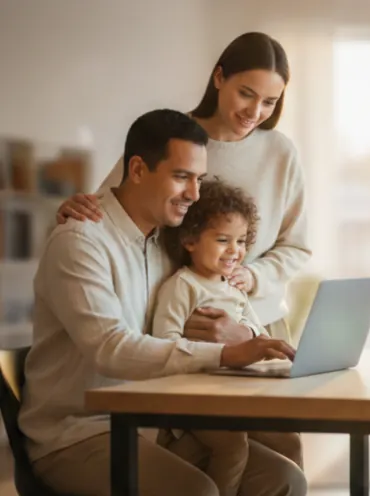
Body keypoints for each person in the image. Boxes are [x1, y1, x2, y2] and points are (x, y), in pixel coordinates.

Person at [54, 31, 310, 467]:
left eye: (269, 102)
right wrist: (72, 207)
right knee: (214, 451)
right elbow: (116, 205)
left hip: (254, 321)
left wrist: (251, 276)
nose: (255, 112)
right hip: (182, 317)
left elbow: (296, 247)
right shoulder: (175, 139)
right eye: (246, 94)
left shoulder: (280, 152)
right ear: (218, 78)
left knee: (280, 453)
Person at [20, 108, 307, 496]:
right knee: (196, 491)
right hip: (81, 434)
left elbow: (220, 297)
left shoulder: (168, 244)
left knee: (283, 478)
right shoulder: (80, 243)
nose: (194, 193)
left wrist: (244, 336)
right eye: (181, 177)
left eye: (199, 179)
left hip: (155, 425)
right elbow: (110, 348)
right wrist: (224, 355)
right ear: (137, 170)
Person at [151, 178, 301, 496]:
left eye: (242, 241)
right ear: (190, 239)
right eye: (223, 240)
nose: (235, 251)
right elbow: (164, 344)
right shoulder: (182, 287)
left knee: (287, 437)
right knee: (232, 444)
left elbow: (257, 334)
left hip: (235, 395)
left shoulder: (231, 286)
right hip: (195, 403)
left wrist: (272, 347)